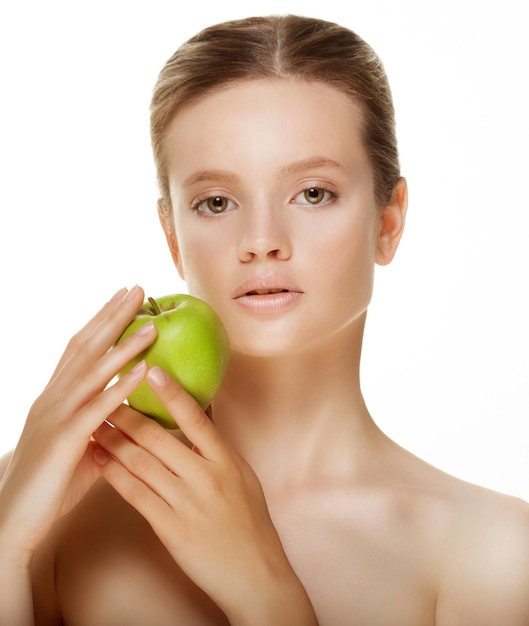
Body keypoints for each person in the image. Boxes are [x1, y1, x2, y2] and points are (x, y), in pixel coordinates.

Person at [1, 14, 528, 626]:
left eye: (312, 193)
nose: (261, 241)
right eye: (216, 202)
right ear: (173, 236)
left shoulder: (493, 557)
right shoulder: (42, 501)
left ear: (388, 221)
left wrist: (267, 596)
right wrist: (6, 544)